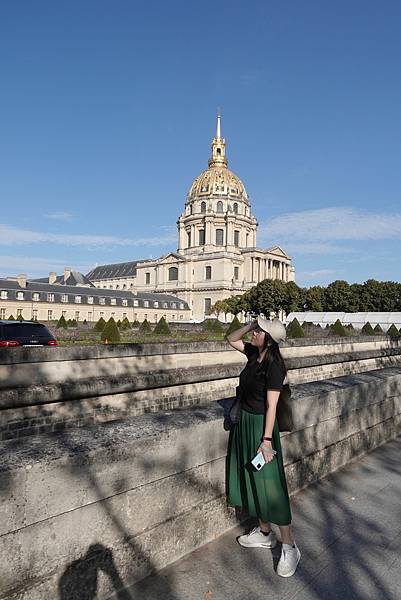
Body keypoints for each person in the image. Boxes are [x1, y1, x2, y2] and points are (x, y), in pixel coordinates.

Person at [226, 316, 301, 578]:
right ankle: (265, 533)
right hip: (245, 423)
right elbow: (230, 338)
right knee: (252, 479)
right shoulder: (253, 354)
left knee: (271, 487)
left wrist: (266, 441)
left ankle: (289, 546)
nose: (254, 333)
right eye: (256, 330)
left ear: (268, 339)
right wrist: (249, 324)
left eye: (259, 331)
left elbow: (271, 406)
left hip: (261, 429)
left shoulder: (274, 366)